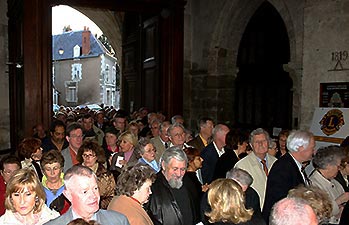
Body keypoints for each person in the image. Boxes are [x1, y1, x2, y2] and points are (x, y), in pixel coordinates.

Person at [44, 165, 130, 225]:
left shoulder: (118, 221)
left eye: (95, 189)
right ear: (68, 195)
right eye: (85, 192)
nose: (93, 196)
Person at [263, 130, 315, 224]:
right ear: (300, 148)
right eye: (312, 148)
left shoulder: (292, 164)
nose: (313, 152)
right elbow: (281, 200)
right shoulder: (283, 168)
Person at [147, 146, 198, 225]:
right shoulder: (152, 188)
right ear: (164, 165)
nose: (179, 174)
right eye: (175, 169)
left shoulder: (188, 181)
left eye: (183, 169)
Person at [234, 128, 277, 209]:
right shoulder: (242, 166)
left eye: (264, 141)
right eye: (257, 142)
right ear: (251, 145)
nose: (261, 144)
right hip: (254, 211)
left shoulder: (276, 162)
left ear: (268, 143)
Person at [309, 145, 349, 224]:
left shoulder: (335, 182)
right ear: (329, 166)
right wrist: (339, 201)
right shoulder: (313, 184)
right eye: (338, 167)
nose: (339, 169)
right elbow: (318, 214)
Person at [76, 140, 116, 209]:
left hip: (100, 210)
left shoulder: (106, 175)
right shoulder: (75, 172)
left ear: (97, 157)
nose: (87, 158)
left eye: (90, 155)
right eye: (85, 155)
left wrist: (96, 204)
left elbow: (111, 196)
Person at [41, 150, 70, 214]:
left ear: (61, 169)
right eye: (48, 169)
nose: (52, 173)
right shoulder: (38, 189)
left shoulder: (70, 186)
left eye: (55, 168)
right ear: (43, 171)